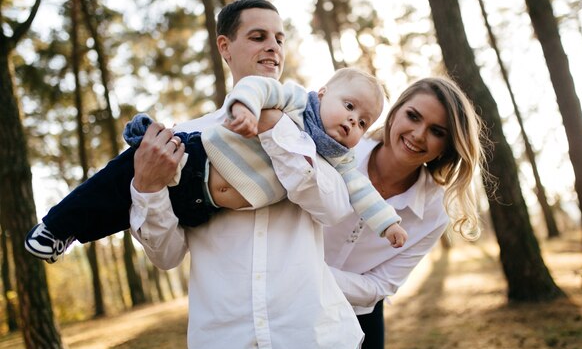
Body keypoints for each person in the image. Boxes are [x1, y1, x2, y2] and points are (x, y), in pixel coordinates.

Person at [127, 0, 365, 349]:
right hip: (225, 345)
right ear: (225, 46)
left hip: (316, 342)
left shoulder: (316, 133)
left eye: (280, 39)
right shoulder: (186, 139)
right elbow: (167, 255)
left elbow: (333, 209)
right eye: (258, 36)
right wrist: (147, 187)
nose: (273, 46)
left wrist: (276, 131)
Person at [24, 68, 407, 264]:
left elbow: (361, 192)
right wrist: (245, 108)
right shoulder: (295, 101)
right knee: (117, 184)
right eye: (350, 107)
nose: (351, 123)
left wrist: (387, 222)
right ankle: (59, 227)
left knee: (126, 209)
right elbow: (259, 87)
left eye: (362, 123)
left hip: (200, 206)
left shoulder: (336, 160)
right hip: (194, 158)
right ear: (323, 94)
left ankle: (69, 233)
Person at [324, 76, 488, 349]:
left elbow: (381, 286)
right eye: (413, 116)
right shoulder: (335, 149)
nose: (419, 134)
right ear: (395, 112)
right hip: (282, 291)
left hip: (358, 317)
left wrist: (308, 272)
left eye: (437, 131)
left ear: (447, 147)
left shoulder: (435, 213)